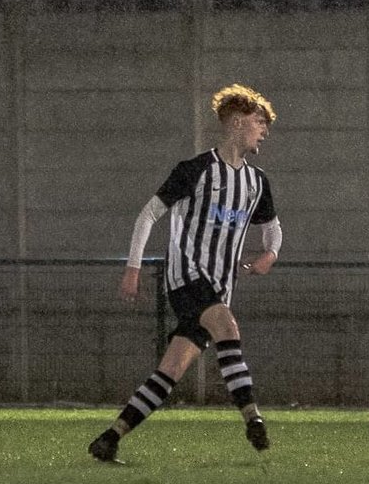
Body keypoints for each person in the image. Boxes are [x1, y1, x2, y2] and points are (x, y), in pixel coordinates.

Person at [88, 84, 284, 463]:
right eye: (260, 122)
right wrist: (133, 268)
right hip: (187, 278)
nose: (264, 131)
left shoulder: (256, 182)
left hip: (220, 288)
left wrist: (270, 254)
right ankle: (252, 418)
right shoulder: (195, 170)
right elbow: (148, 215)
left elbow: (272, 227)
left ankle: (109, 439)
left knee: (172, 369)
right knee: (227, 327)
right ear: (237, 122)